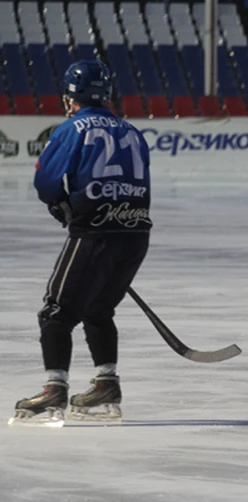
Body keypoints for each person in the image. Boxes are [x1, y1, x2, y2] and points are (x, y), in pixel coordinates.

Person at [11, 60, 152, 426]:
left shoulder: (72, 128)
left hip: (94, 233)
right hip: (135, 234)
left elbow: (46, 182)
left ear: (70, 98)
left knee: (56, 312)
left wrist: (62, 206)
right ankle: (106, 385)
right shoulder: (132, 131)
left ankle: (54, 391)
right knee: (98, 308)